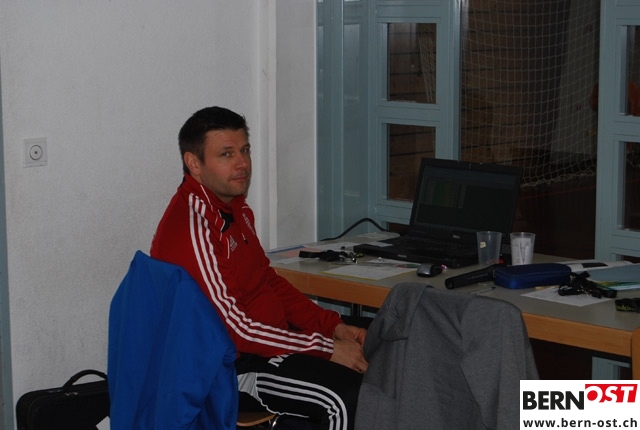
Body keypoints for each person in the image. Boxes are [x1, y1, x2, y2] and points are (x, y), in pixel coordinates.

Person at [150, 106, 368, 430]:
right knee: (345, 397)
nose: (242, 163)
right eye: (227, 154)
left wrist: (331, 327)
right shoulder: (195, 229)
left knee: (381, 341)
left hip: (269, 342)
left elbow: (267, 280)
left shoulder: (234, 208)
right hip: (229, 369)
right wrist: (327, 348)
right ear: (194, 163)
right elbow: (236, 331)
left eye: (245, 150)